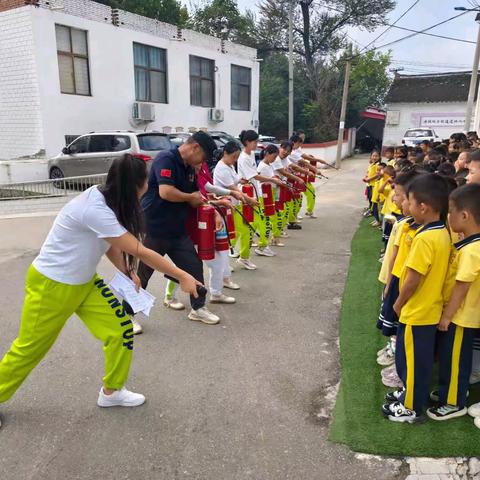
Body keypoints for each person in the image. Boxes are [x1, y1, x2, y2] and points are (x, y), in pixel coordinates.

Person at [0, 155, 200, 426]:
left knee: (121, 331)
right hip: (52, 285)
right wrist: (182, 275)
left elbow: (109, 243)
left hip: (84, 282)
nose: (148, 189)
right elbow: (139, 249)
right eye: (147, 183)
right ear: (135, 186)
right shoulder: (94, 208)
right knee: (28, 350)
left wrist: (128, 272)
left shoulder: (107, 199)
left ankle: (112, 391)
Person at [382, 173, 451, 423]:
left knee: (410, 361)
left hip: (417, 311)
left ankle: (410, 407)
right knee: (418, 360)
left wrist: (398, 303)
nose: (406, 207)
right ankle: (409, 394)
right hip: (430, 309)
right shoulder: (443, 232)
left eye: (409, 202)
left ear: (423, 206)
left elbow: (413, 278)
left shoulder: (424, 238)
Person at [138, 131, 221, 325]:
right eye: (203, 157)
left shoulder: (189, 168)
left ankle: (198, 308)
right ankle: (128, 315)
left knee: (193, 266)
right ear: (195, 148)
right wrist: (190, 197)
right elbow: (166, 192)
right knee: (143, 273)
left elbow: (194, 195)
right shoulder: (166, 159)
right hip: (155, 227)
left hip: (177, 230)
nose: (202, 163)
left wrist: (210, 209)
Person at [427, 183, 480, 422]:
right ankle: (452, 391)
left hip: (460, 317)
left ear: (465, 215)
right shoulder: (470, 244)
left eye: (450, 211)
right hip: (460, 315)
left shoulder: (472, 250)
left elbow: (462, 286)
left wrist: (447, 316)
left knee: (455, 359)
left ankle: (454, 402)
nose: (447, 217)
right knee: (452, 356)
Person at [237, 130, 282, 266]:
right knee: (249, 227)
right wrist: (272, 180)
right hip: (247, 195)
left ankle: (258, 248)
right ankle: (244, 255)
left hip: (256, 193)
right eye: (255, 142)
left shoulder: (250, 154)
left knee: (259, 222)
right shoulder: (243, 157)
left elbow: (254, 174)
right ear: (247, 142)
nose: (257, 144)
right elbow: (254, 176)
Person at [213, 141, 259, 269]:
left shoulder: (229, 166)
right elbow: (234, 189)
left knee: (240, 232)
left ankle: (241, 258)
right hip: (224, 208)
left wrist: (242, 180)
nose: (235, 160)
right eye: (233, 157)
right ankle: (224, 263)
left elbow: (236, 179)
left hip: (234, 206)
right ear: (225, 153)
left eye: (237, 158)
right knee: (229, 235)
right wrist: (250, 200)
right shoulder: (221, 168)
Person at [256, 143, 285, 254]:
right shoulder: (262, 166)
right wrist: (274, 179)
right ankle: (262, 246)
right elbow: (261, 179)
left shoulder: (269, 165)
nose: (274, 159)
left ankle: (266, 244)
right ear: (267, 154)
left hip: (269, 195)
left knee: (269, 220)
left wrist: (275, 178)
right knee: (266, 222)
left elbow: (271, 177)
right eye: (273, 156)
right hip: (264, 196)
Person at [271, 141, 304, 235]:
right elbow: (284, 172)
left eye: (288, 151)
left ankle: (278, 231)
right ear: (280, 148)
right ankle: (275, 233)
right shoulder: (276, 159)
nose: (285, 152)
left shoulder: (285, 159)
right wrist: (298, 179)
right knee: (278, 211)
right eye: (284, 149)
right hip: (273, 188)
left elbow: (292, 166)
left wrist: (306, 171)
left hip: (280, 187)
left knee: (282, 209)